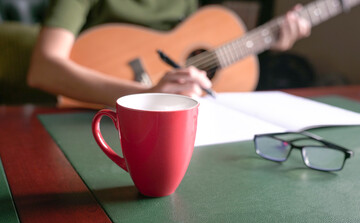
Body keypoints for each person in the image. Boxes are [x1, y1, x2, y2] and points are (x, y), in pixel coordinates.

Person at [27, 0, 311, 108]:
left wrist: (269, 42)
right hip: (93, 118)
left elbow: (190, 55)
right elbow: (44, 68)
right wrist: (147, 94)